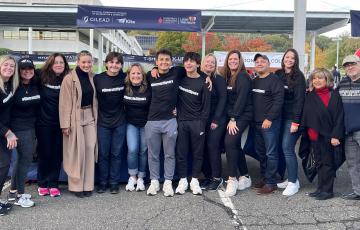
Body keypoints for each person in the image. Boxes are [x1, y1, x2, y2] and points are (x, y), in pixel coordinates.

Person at [59, 50, 98, 198]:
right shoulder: (69, 79)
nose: (86, 65)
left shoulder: (93, 77)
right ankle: (76, 186)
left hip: (89, 115)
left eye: (89, 62)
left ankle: (88, 185)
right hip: (74, 117)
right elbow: (64, 104)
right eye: (84, 62)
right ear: (78, 62)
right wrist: (65, 124)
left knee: (89, 148)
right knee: (78, 151)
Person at [145, 49, 183, 197]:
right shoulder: (150, 75)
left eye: (167, 60)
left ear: (171, 62)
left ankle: (167, 182)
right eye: (161, 60)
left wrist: (207, 78)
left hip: (170, 121)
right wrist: (153, 70)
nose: (164, 62)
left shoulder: (177, 72)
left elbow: (195, 71)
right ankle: (154, 182)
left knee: (169, 154)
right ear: (156, 62)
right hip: (152, 120)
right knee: (153, 154)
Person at [301, 68, 344, 200]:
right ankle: (320, 188)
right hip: (313, 136)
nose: (317, 81)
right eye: (314, 78)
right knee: (319, 163)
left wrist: (336, 135)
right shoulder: (310, 95)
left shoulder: (334, 95)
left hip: (328, 136)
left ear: (327, 80)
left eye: (320, 78)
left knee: (328, 164)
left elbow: (339, 117)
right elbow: (306, 115)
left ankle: (327, 191)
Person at [175, 52, 211, 195]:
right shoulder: (180, 78)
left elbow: (206, 108)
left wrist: (202, 126)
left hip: (197, 123)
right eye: (186, 61)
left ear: (197, 64)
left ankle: (194, 180)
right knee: (181, 153)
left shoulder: (204, 83)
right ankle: (183, 180)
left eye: (192, 61)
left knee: (198, 154)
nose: (189, 63)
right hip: (182, 122)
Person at [7, 58, 40, 208]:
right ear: (18, 71)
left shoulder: (35, 84)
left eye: (30, 68)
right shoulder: (13, 87)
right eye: (23, 69)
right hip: (19, 128)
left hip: (31, 127)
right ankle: (20, 195)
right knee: (25, 161)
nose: (27, 71)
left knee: (21, 161)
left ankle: (13, 192)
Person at [37, 53, 70, 197]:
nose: (59, 65)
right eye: (56, 62)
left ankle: (53, 183)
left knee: (57, 154)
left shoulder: (68, 79)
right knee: (45, 153)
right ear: (50, 64)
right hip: (43, 123)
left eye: (61, 63)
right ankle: (42, 183)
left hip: (61, 123)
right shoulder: (40, 76)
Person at [93, 52, 126, 194]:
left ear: (121, 65)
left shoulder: (125, 78)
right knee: (103, 154)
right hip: (103, 123)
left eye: (117, 62)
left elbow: (142, 77)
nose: (114, 65)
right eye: (111, 62)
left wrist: (155, 67)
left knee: (116, 154)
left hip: (120, 122)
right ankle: (102, 182)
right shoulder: (98, 78)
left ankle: (114, 182)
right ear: (106, 63)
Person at [222, 50, 253, 197]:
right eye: (230, 59)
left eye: (235, 59)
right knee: (234, 144)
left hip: (242, 115)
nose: (233, 61)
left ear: (240, 61)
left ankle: (232, 179)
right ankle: (245, 176)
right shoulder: (228, 76)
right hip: (232, 116)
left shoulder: (242, 76)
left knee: (229, 141)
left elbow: (241, 99)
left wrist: (233, 118)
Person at [275, 49, 306, 196]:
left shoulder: (299, 77)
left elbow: (300, 101)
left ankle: (293, 183)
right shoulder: (278, 74)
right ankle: (292, 178)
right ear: (283, 58)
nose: (289, 60)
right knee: (282, 149)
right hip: (279, 118)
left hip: (291, 119)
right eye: (287, 57)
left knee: (287, 149)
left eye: (292, 58)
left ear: (296, 61)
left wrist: (296, 122)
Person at [252, 53, 284, 195]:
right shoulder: (255, 81)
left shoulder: (274, 80)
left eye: (262, 61)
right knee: (261, 152)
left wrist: (269, 118)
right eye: (257, 62)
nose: (259, 64)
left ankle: (271, 182)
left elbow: (279, 101)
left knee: (271, 153)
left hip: (270, 123)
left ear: (268, 64)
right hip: (256, 123)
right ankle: (265, 177)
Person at [200, 53, 227, 191]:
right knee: (203, 147)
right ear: (203, 63)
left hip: (217, 119)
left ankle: (217, 178)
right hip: (203, 119)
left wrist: (216, 119)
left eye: (213, 63)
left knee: (212, 146)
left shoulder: (219, 79)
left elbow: (223, 99)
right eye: (207, 62)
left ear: (215, 65)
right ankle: (208, 176)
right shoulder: (199, 77)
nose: (210, 64)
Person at [124, 63, 151, 192]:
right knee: (133, 149)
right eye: (133, 73)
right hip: (131, 124)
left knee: (143, 150)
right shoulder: (124, 87)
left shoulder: (148, 87)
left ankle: (141, 177)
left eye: (138, 73)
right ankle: (132, 177)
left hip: (145, 124)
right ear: (128, 75)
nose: (136, 75)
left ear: (143, 75)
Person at [338, 55, 360, 200]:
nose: (349, 67)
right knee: (352, 163)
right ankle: (358, 191)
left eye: (352, 64)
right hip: (348, 131)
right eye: (346, 65)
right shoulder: (342, 83)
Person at [0, 55, 19, 215]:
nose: (9, 68)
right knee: (2, 166)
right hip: (3, 132)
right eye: (6, 65)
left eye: (12, 66)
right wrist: (8, 132)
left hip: (4, 133)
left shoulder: (9, 85)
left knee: (4, 167)